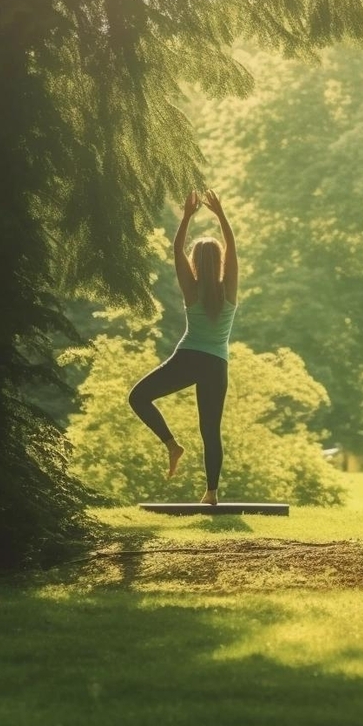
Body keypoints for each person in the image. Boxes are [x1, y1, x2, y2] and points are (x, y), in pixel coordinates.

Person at [128, 189, 238, 505]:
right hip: (216, 365)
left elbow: (176, 249)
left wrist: (188, 215)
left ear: (196, 263)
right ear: (219, 263)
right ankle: (211, 494)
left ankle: (172, 445)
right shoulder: (229, 290)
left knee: (138, 397)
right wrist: (220, 214)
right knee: (210, 430)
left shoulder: (191, 290)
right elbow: (233, 249)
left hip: (188, 358)